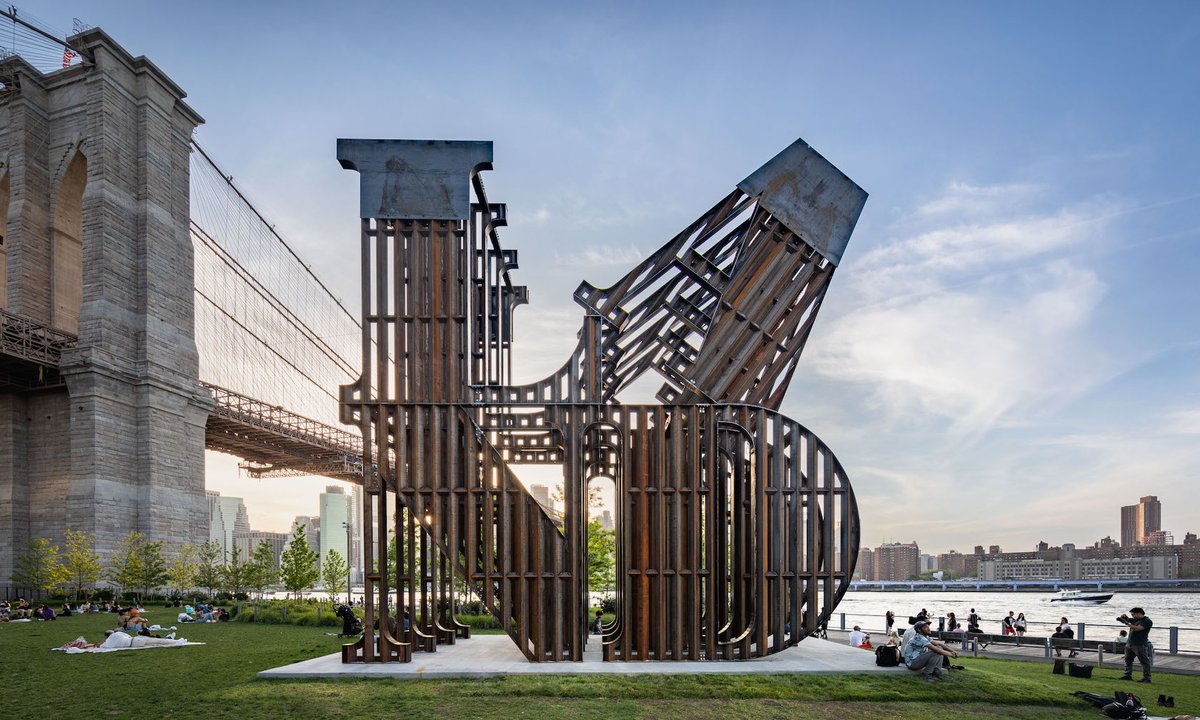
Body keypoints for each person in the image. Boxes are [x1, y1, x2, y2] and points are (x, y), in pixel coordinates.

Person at [1118, 607, 1153, 683]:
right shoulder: (1135, 620)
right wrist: (1123, 617)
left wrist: (1127, 623)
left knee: (1144, 661)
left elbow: (1137, 628)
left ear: (1139, 613)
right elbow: (1127, 620)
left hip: (1139, 644)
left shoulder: (1147, 621)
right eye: (1132, 614)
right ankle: (1127, 675)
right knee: (1128, 660)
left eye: (1133, 614)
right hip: (1130, 643)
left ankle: (1147, 678)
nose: (1132, 616)